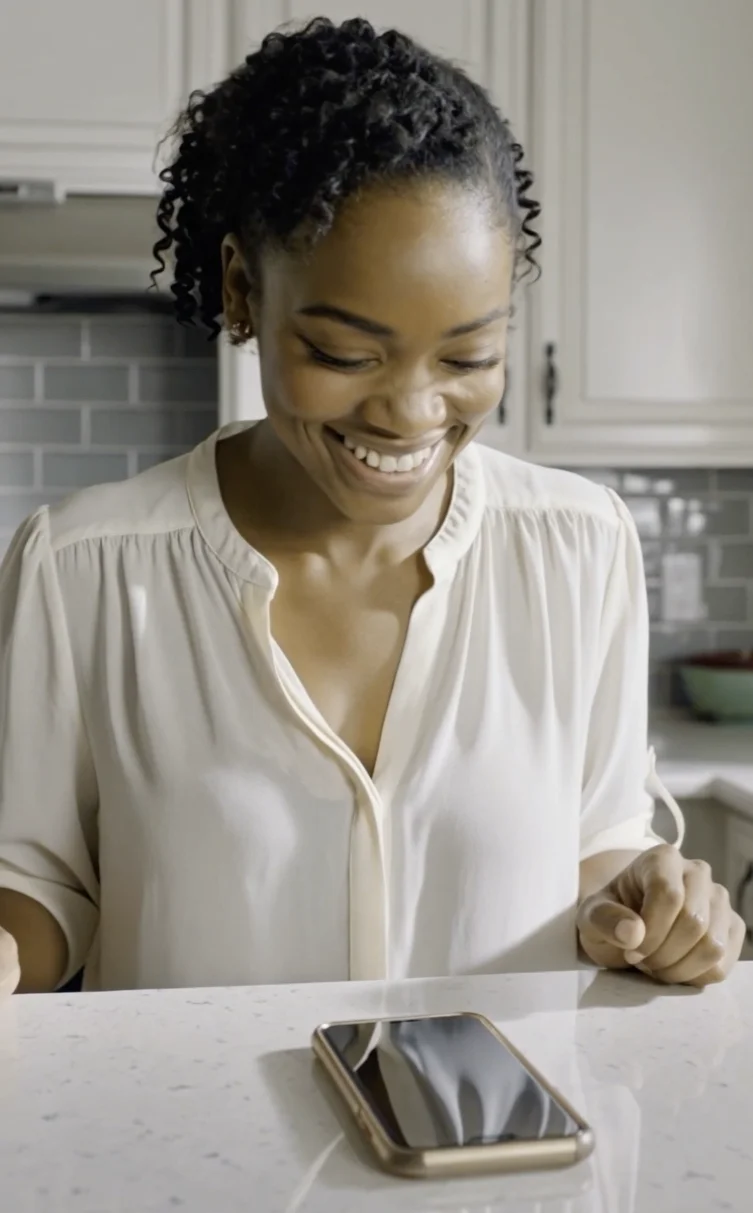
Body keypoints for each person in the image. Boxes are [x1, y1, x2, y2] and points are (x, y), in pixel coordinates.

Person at [0, 17, 744, 997]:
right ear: (240, 291)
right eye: (347, 355)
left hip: (499, 1146)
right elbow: (41, 887)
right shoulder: (85, 568)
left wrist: (646, 904)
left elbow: (598, 844)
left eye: (468, 356)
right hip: (187, 1144)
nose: (411, 411)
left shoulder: (578, 546)